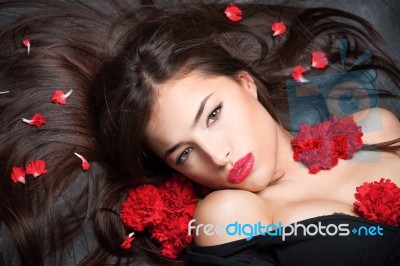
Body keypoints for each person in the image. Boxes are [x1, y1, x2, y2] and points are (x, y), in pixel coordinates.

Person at [0, 1, 399, 265]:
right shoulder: (228, 217)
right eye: (183, 153)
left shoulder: (373, 126)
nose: (217, 155)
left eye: (213, 115)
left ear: (245, 83)